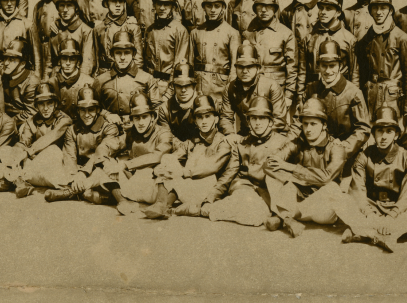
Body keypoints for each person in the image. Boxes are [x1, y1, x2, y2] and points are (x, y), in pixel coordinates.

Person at [335, 106, 407, 252]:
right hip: (370, 208)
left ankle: (364, 233)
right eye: (380, 131)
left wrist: (391, 216)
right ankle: (381, 236)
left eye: (389, 131)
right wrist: (370, 214)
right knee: (340, 199)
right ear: (373, 133)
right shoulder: (365, 155)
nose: (384, 136)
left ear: (396, 135)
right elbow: (358, 190)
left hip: (396, 211)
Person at [142, 95, 238, 219]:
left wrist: (183, 172)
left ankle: (165, 205)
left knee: (194, 168)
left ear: (216, 119)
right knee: (168, 158)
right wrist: (160, 168)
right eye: (199, 117)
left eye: (207, 116)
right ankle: (161, 204)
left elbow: (213, 166)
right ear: (195, 121)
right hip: (190, 187)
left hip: (208, 189)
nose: (203, 121)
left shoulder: (223, 142)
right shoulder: (193, 141)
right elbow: (174, 156)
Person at [264, 98, 347, 237]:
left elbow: (326, 177)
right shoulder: (297, 143)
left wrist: (292, 168)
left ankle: (284, 217)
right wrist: (296, 179)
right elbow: (268, 164)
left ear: (324, 125)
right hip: (299, 203)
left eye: (313, 124)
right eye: (305, 124)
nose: (308, 129)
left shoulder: (337, 147)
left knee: (332, 188)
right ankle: (287, 218)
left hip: (322, 210)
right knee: (271, 177)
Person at [205, 97, 289, 228]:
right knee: (248, 206)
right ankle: (213, 208)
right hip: (243, 188)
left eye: (262, 118)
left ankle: (215, 209)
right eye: (253, 118)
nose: (258, 123)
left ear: (271, 122)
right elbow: (229, 174)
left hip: (266, 193)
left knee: (254, 215)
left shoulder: (282, 143)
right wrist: (210, 198)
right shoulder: (242, 143)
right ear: (248, 122)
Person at [303, 40, 371, 175]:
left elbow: (363, 129)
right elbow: (298, 124)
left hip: (344, 159)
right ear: (319, 66)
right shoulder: (311, 89)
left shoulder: (353, 93)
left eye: (332, 65)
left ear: (340, 65)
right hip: (315, 157)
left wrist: (343, 148)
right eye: (324, 66)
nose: (328, 71)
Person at [100, 93, 176, 215]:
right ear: (132, 119)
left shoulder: (164, 133)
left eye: (144, 117)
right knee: (110, 162)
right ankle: (123, 202)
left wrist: (125, 165)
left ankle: (161, 205)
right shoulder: (131, 134)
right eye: (136, 118)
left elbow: (157, 155)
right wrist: (106, 161)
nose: (140, 122)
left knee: (168, 160)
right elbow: (107, 146)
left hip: (155, 187)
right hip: (135, 185)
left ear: (152, 116)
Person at [355, 0, 407, 118]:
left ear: (390, 11)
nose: (379, 12)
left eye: (383, 8)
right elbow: (359, 74)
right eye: (375, 8)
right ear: (370, 11)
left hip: (393, 100)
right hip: (369, 99)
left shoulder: (403, 39)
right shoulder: (365, 40)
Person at [52, 86, 122, 204]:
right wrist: (75, 177)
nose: (87, 114)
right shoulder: (72, 130)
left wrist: (83, 173)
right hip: (80, 172)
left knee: (105, 172)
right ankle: (79, 190)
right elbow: (70, 157)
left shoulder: (109, 127)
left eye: (91, 109)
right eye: (83, 110)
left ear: (98, 110)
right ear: (78, 111)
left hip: (99, 168)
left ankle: (71, 193)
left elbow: (101, 153)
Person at [241, 0, 298, 116]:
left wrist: (289, 95)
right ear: (255, 8)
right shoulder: (247, 33)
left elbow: (292, 67)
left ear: (275, 8)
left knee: (277, 126)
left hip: (277, 91)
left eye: (269, 6)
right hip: (252, 89)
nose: (264, 10)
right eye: (260, 6)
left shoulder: (286, 33)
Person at [11, 82, 74, 199]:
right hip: (36, 167)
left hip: (57, 168)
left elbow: (50, 137)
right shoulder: (31, 121)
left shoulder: (64, 120)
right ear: (36, 105)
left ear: (55, 104)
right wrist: (16, 152)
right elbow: (24, 142)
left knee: (53, 149)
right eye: (41, 104)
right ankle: (24, 183)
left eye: (49, 103)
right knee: (8, 151)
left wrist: (27, 152)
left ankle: (26, 183)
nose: (45, 108)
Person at [219, 43, 288, 136]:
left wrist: (258, 138)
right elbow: (225, 118)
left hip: (272, 134)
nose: (244, 71)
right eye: (240, 66)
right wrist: (231, 136)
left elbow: (279, 120)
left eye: (249, 66)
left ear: (258, 68)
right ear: (235, 68)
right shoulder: (230, 88)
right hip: (246, 134)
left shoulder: (271, 85)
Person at [301, 0, 359, 97]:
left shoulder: (349, 39)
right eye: (321, 8)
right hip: (313, 92)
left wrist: (353, 96)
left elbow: (355, 73)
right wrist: (300, 96)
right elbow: (302, 71)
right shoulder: (309, 38)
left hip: (340, 93)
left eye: (328, 9)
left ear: (338, 12)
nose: (323, 12)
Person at [188, 0, 240, 105]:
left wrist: (229, 92)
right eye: (209, 6)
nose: (212, 10)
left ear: (223, 7)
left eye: (217, 6)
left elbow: (234, 68)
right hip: (199, 89)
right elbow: (190, 65)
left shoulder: (232, 33)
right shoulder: (195, 33)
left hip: (220, 90)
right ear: (204, 8)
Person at [93, 30, 154, 128]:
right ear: (112, 55)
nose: (122, 57)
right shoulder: (101, 80)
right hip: (110, 129)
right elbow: (94, 107)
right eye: (118, 53)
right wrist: (107, 114)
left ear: (134, 54)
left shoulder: (147, 78)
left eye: (127, 53)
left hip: (139, 130)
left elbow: (156, 108)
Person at [144, 0, 190, 106]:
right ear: (154, 5)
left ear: (173, 6)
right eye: (159, 3)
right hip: (150, 87)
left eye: (167, 4)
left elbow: (179, 66)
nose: (162, 7)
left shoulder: (180, 31)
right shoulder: (149, 30)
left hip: (169, 88)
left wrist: (168, 94)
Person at [93, 0, 144, 75]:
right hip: (105, 74)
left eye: (120, 1)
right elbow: (95, 58)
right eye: (113, 1)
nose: (117, 5)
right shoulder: (99, 29)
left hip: (127, 74)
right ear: (107, 3)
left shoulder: (132, 27)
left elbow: (138, 59)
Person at [46, 0, 95, 79]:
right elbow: (49, 64)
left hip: (76, 80)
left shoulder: (86, 31)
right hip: (56, 79)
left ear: (76, 8)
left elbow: (87, 65)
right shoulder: (54, 29)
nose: (65, 10)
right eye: (61, 5)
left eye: (69, 5)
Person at [30, 0, 65, 81]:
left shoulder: (65, 4)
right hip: (42, 51)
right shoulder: (38, 6)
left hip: (59, 53)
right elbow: (34, 37)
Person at [50, 38, 95, 118]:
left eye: (72, 59)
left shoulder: (89, 82)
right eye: (64, 59)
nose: (68, 63)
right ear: (59, 61)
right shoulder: (52, 83)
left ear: (78, 61)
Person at [0, 38, 40, 128]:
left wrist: (7, 123)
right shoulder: (4, 72)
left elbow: (31, 113)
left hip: (23, 123)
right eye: (5, 58)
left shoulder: (32, 81)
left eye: (11, 59)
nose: (6, 63)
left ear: (22, 64)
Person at [156, 62, 200, 141]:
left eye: (187, 85)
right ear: (173, 87)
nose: (183, 90)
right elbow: (166, 137)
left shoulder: (204, 104)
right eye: (179, 86)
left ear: (194, 86)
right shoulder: (165, 108)